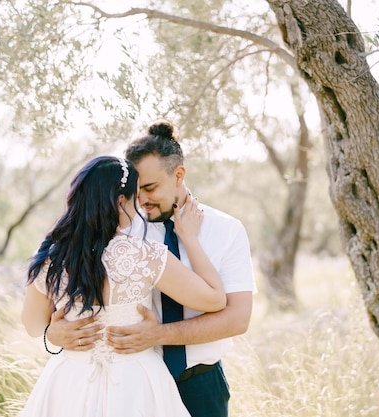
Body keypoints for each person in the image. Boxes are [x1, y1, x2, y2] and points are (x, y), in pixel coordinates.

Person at [46, 121, 256, 417]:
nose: (142, 199)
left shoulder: (227, 230)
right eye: (136, 190)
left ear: (179, 175)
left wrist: (158, 335)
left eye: (150, 187)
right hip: (134, 386)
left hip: (202, 384)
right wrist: (51, 334)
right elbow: (75, 292)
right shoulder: (123, 231)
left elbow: (237, 319)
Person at [19, 156, 227, 417]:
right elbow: (215, 299)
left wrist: (53, 333)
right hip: (135, 381)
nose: (140, 202)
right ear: (120, 202)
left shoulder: (52, 257)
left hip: (70, 380)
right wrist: (189, 238)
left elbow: (33, 326)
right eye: (135, 196)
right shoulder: (144, 256)